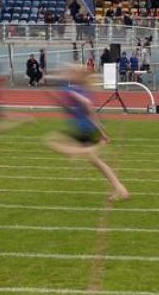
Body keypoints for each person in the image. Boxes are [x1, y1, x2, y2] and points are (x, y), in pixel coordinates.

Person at [43, 65, 129, 202]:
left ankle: (82, 152)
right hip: (88, 129)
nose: (68, 74)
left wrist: (101, 131)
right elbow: (70, 110)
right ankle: (120, 189)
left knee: (50, 140)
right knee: (98, 163)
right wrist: (54, 97)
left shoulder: (74, 90)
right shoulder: (77, 89)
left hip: (86, 129)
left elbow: (87, 104)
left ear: (77, 76)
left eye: (71, 72)